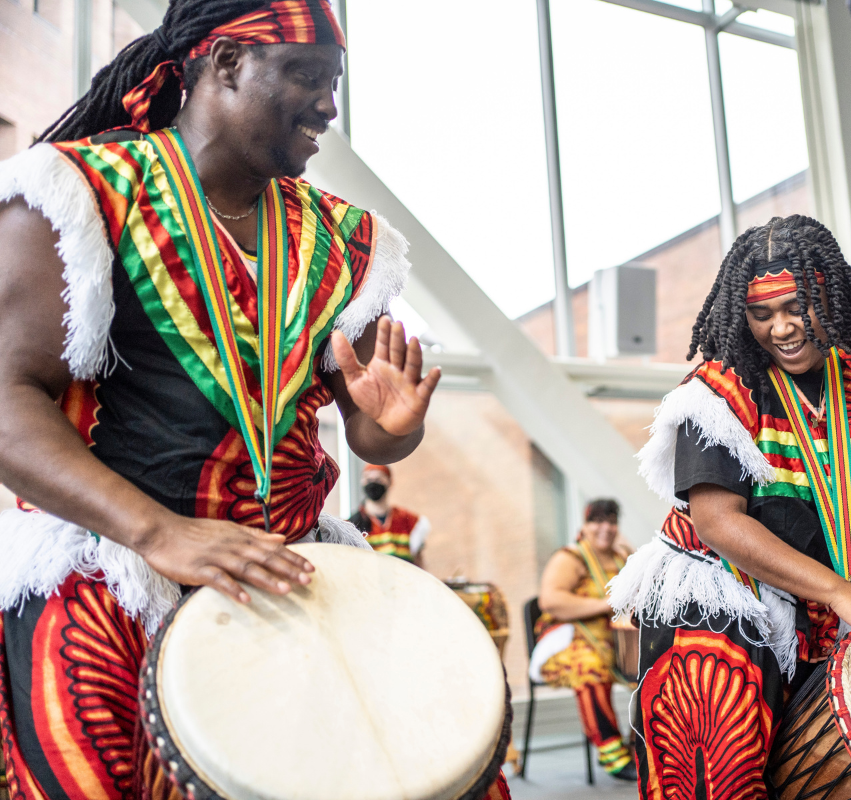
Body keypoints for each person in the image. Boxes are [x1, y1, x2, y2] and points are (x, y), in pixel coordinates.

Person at [0, 2, 508, 798]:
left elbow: (367, 433)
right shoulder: (81, 191)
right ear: (229, 62)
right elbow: (7, 404)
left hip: (292, 572)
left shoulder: (348, 239)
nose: (329, 106)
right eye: (307, 76)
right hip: (118, 567)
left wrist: (389, 431)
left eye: (334, 83)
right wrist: (159, 532)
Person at [608, 215, 851, 799]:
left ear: (828, 296)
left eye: (796, 307)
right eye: (762, 313)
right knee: (723, 772)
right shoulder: (720, 391)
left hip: (819, 584)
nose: (781, 328)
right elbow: (718, 522)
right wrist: (841, 592)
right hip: (720, 592)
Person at [529, 499, 636, 781]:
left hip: (616, 642)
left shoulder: (622, 555)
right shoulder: (570, 557)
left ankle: (640, 747)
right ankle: (613, 754)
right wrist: (605, 605)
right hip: (570, 641)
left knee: (655, 665)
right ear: (584, 525)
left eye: (611, 522)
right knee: (589, 666)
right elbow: (550, 601)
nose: (605, 528)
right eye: (597, 521)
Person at [349, 463, 430, 567]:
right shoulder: (352, 525)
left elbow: (419, 564)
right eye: (368, 480)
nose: (373, 483)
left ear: (390, 482)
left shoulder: (409, 521)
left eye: (378, 479)